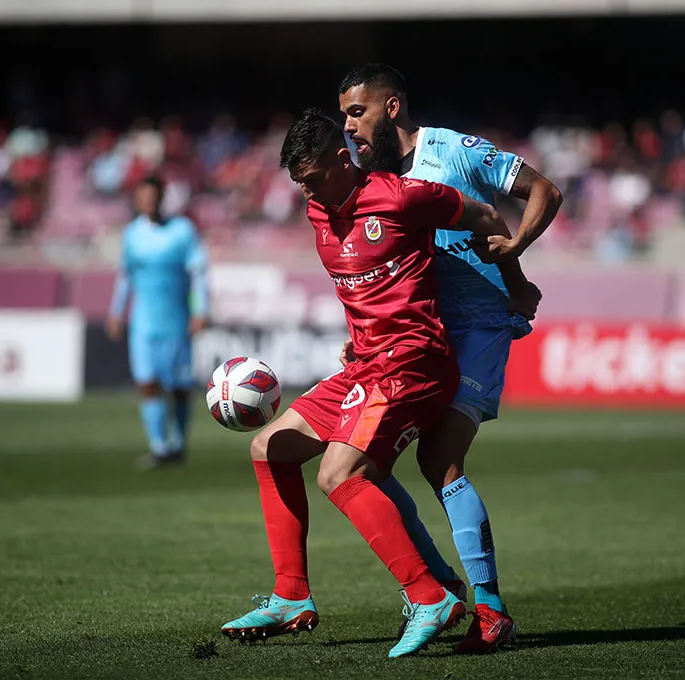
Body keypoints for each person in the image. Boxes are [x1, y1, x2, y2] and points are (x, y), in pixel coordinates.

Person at [221, 109, 525, 658]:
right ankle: (291, 596)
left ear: (344, 159)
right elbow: (362, 287)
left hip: (415, 362)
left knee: (340, 474)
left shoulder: (403, 196)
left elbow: (484, 217)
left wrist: (517, 283)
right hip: (366, 364)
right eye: (299, 182)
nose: (306, 190)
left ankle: (428, 596)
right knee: (270, 447)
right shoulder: (318, 209)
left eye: (311, 177)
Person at [337, 63, 562, 653]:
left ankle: (489, 609)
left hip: (480, 325)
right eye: (342, 117)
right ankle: (440, 589)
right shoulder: (374, 177)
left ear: (391, 108)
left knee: (439, 460)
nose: (349, 127)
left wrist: (516, 250)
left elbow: (545, 189)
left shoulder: (454, 151)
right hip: (421, 335)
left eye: (356, 113)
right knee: (366, 466)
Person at [106, 177, 209, 468]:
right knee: (147, 383)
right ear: (137, 200)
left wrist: (201, 310)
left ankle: (178, 445)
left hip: (176, 321)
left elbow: (199, 273)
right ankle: (159, 447)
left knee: (178, 386)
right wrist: (116, 311)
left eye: (153, 196)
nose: (149, 201)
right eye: (144, 197)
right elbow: (125, 276)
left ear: (162, 197)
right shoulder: (131, 234)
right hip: (143, 323)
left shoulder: (182, 231)